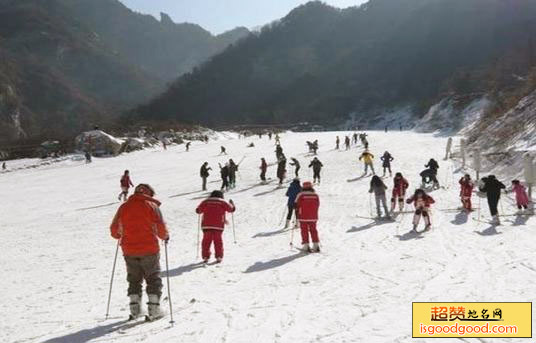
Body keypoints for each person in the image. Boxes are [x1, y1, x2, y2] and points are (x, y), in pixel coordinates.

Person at [110, 184, 169, 321]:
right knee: (153, 278)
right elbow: (160, 226)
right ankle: (154, 309)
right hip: (149, 249)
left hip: (129, 250)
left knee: (134, 279)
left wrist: (119, 235)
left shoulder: (123, 207)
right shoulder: (151, 206)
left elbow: (114, 230)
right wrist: (165, 236)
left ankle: (135, 309)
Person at [195, 191, 235, 263]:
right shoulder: (222, 202)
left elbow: (198, 210)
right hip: (218, 225)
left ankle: (205, 257)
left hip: (206, 225)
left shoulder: (206, 201)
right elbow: (231, 209)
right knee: (218, 241)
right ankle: (219, 256)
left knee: (206, 241)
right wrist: (232, 204)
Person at [295, 181, 320, 252]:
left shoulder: (301, 194)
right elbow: (318, 204)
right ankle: (316, 245)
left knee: (304, 230)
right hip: (313, 216)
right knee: (313, 229)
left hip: (303, 216)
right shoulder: (315, 195)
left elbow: (296, 204)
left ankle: (306, 245)